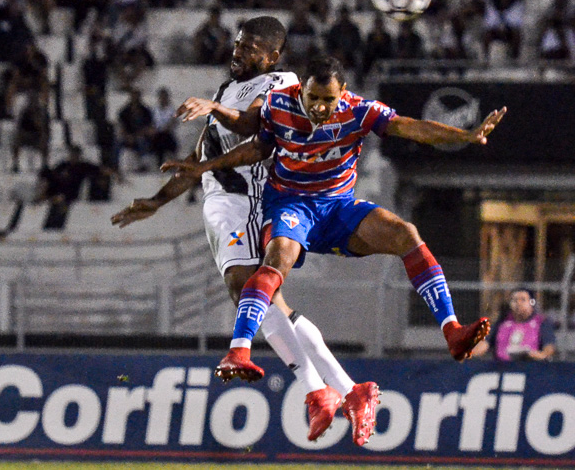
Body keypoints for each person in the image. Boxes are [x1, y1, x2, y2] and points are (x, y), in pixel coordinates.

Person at [164, 55, 505, 438]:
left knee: (405, 234)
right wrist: (207, 167)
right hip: (291, 206)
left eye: (328, 99)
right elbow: (258, 148)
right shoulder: (278, 104)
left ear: (342, 92)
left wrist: (463, 136)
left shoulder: (358, 110)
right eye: (313, 98)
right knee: (276, 263)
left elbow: (411, 127)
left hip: (338, 208)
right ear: (302, 89)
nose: (320, 107)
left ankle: (451, 330)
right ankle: (241, 350)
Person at [111, 17, 371, 446]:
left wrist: (215, 110)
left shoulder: (282, 83)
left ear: (272, 56)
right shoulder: (225, 90)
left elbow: (250, 125)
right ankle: (340, 391)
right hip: (221, 204)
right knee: (268, 304)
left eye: (250, 47)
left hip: (247, 199)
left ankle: (325, 391)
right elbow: (200, 158)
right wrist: (157, 200)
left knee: (248, 290)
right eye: (237, 43)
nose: (238, 51)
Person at [473, 289, 556, 361]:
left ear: (532, 302)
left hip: (530, 367)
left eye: (523, 300)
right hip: (501, 366)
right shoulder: (502, 322)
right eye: (515, 300)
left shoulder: (541, 322)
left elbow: (548, 348)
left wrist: (536, 355)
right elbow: (484, 345)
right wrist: (470, 354)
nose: (518, 303)